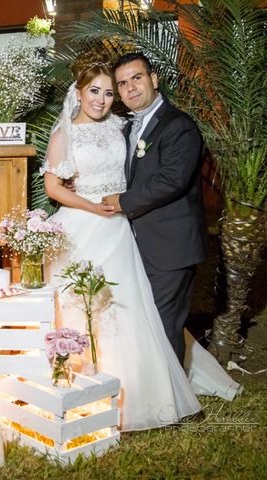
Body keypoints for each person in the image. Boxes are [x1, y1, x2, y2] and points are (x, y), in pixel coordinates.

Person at [42, 53, 241, 432]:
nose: (103, 99)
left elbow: (161, 178)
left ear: (152, 79)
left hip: (124, 226)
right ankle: (81, 379)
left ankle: (147, 391)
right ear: (79, 93)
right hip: (94, 223)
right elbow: (55, 186)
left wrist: (117, 205)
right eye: (97, 91)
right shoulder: (67, 133)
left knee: (136, 309)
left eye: (109, 91)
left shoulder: (130, 126)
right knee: (80, 304)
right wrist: (92, 205)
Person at [102, 53, 206, 366]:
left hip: (170, 245)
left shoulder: (179, 126)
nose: (130, 88)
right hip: (136, 242)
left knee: (163, 324)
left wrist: (122, 201)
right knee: (143, 323)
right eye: (122, 83)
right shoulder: (126, 129)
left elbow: (172, 181)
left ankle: (171, 404)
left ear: (154, 79)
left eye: (137, 78)